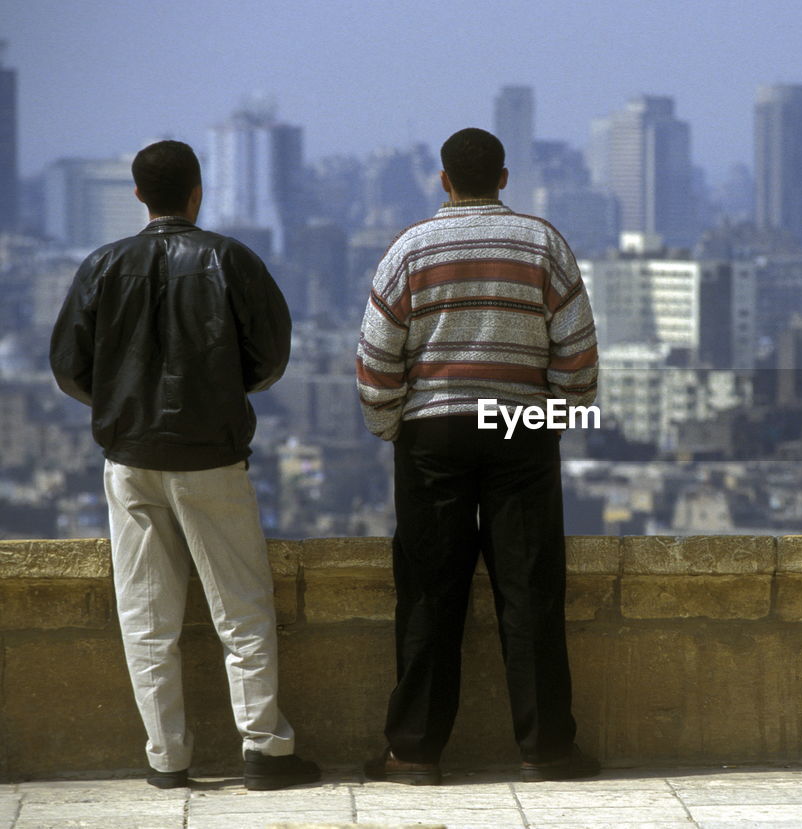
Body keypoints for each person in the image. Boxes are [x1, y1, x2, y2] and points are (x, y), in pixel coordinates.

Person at [49, 140, 320, 791]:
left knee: (146, 616)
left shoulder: (102, 265)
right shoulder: (230, 260)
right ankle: (264, 748)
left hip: (130, 457)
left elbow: (68, 366)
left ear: (139, 195)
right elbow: (272, 354)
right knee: (243, 608)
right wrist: (223, 391)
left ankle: (167, 756)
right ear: (198, 192)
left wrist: (118, 402)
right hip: (211, 455)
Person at [357, 127, 600, 785]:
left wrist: (396, 427)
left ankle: (413, 750)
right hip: (520, 425)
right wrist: (551, 418)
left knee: (430, 592)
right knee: (530, 590)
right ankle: (546, 747)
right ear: (503, 178)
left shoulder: (408, 249)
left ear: (443, 181)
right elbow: (577, 353)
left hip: (432, 432)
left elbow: (377, 360)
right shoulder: (542, 242)